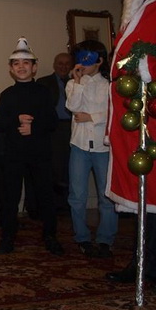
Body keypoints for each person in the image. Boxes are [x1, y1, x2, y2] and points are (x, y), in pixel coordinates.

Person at [105, 0, 156, 289]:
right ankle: (143, 261)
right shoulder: (137, 12)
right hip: (135, 122)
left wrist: (153, 65)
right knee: (145, 199)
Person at [0, 37, 63, 255]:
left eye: (26, 63)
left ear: (34, 67)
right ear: (11, 69)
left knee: (45, 196)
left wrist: (35, 127)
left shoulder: (43, 92)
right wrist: (16, 120)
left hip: (39, 154)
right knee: (11, 197)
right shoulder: (7, 95)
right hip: (13, 156)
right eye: (16, 64)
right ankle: (8, 236)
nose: (21, 67)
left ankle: (50, 235)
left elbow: (52, 122)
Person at [66, 40, 117, 258]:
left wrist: (91, 118)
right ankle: (82, 237)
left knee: (107, 196)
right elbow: (72, 107)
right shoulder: (73, 84)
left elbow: (113, 113)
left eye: (86, 58)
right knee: (77, 194)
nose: (82, 63)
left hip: (102, 147)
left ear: (99, 60)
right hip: (79, 145)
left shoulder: (109, 85)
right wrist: (77, 82)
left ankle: (106, 238)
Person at [36, 52, 74, 213]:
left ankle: (67, 203)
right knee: (55, 166)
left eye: (67, 64)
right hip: (53, 129)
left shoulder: (76, 82)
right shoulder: (44, 83)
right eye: (60, 63)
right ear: (54, 65)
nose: (63, 67)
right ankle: (54, 204)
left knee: (69, 166)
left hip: (74, 127)